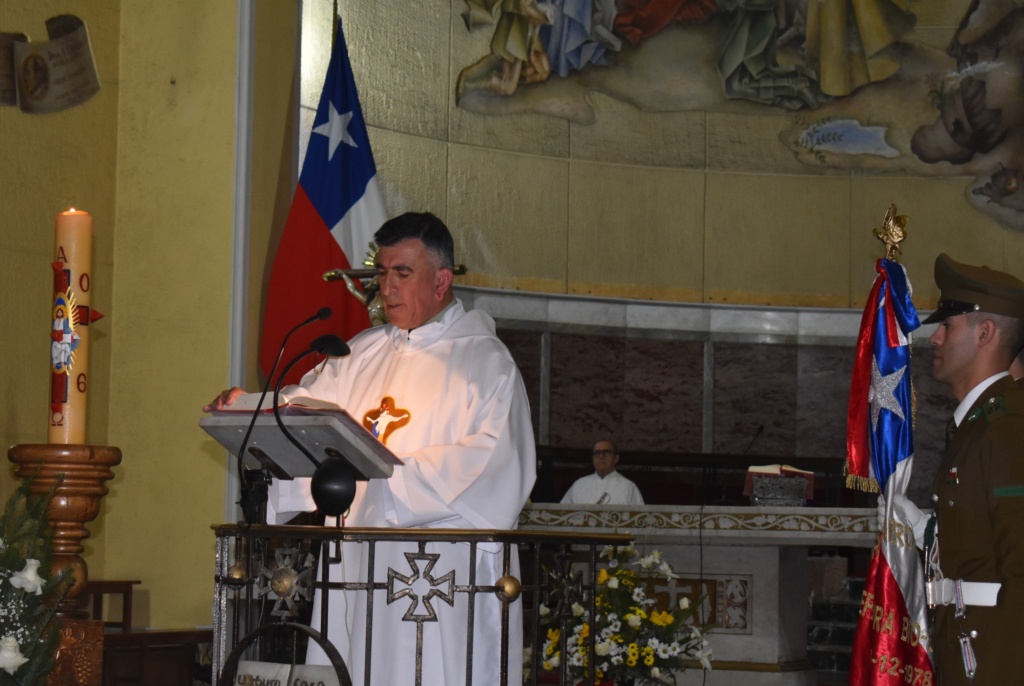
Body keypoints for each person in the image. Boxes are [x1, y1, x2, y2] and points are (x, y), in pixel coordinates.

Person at [205, 212, 537, 686]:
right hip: (358, 563)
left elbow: (492, 464)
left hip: (440, 576)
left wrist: (382, 479)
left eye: (403, 273)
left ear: (441, 280)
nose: (387, 286)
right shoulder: (361, 351)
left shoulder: (485, 362)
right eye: (382, 273)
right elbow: (305, 409)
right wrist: (250, 407)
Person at [919, 253, 1024, 686]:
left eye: (947, 325)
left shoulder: (1007, 430)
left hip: (994, 664)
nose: (934, 337)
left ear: (985, 332)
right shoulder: (976, 426)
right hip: (967, 651)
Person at [560, 439, 644, 505]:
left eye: (606, 452)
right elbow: (562, 512)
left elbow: (639, 518)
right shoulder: (579, 484)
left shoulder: (628, 487)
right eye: (597, 452)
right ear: (592, 458)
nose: (601, 456)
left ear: (615, 458)